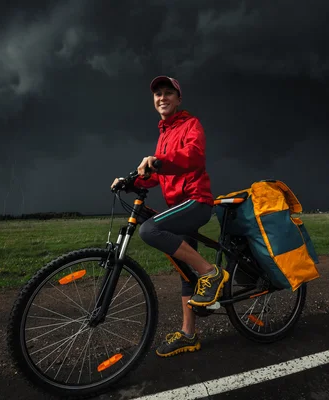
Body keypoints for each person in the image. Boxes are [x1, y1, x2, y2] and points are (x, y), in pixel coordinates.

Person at [110, 75, 229, 357]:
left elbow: (193, 157)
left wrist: (159, 162)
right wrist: (131, 182)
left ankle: (211, 273)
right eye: (157, 94)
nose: (162, 98)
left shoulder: (191, 124)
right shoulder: (163, 134)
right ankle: (189, 335)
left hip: (196, 202)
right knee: (184, 271)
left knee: (149, 230)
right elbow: (156, 175)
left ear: (178, 99)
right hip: (178, 207)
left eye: (168, 93)